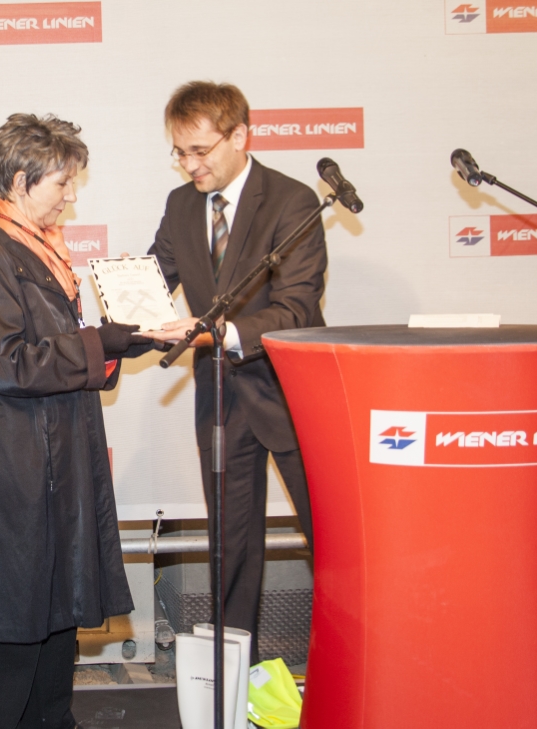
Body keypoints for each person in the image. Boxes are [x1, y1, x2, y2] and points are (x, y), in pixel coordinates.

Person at [0, 113, 150, 729]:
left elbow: (60, 355)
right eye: (61, 183)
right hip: (20, 471)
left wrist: (114, 345)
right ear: (19, 181)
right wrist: (100, 342)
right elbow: (6, 365)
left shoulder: (41, 255)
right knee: (17, 625)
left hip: (61, 464)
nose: (71, 197)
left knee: (59, 615)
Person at [140, 81, 327, 661]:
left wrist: (222, 331)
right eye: (179, 152)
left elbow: (297, 307)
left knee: (334, 539)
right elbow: (154, 277)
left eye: (200, 151)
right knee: (230, 549)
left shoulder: (293, 202)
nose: (189, 165)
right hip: (220, 397)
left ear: (241, 135)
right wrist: (114, 308)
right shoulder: (179, 204)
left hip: (292, 395)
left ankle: (352, 663)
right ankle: (231, 677)